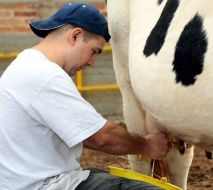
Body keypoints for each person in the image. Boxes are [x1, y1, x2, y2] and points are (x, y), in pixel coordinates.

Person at [0, 2, 170, 190]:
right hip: (47, 185)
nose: (92, 62)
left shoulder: (25, 65)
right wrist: (148, 145)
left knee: (101, 174)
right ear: (76, 36)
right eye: (94, 51)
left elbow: (82, 132)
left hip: (26, 182)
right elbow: (102, 138)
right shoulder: (44, 75)